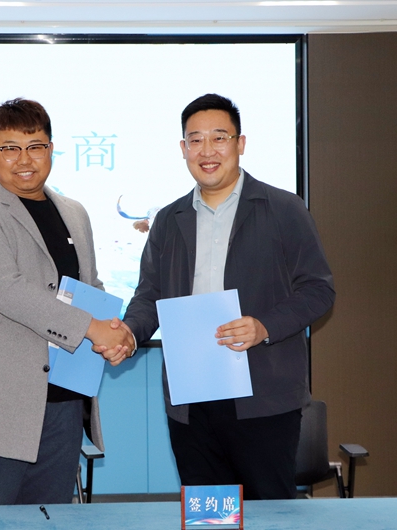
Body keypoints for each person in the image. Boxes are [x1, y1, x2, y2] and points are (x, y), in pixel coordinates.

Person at [110, 93, 335, 500]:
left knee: (269, 514)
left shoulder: (284, 208)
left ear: (240, 143)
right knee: (209, 514)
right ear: (183, 149)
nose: (207, 151)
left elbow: (319, 289)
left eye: (219, 138)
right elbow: (150, 295)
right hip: (191, 399)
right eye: (195, 140)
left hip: (264, 396)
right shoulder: (169, 219)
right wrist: (130, 332)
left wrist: (264, 326)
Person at [0, 98, 134, 506]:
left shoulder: (74, 212)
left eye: (35, 146)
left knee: (52, 519)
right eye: (10, 148)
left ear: (51, 149)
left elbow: (90, 288)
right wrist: (92, 328)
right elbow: (8, 291)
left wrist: (117, 335)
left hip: (64, 402)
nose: (24, 159)